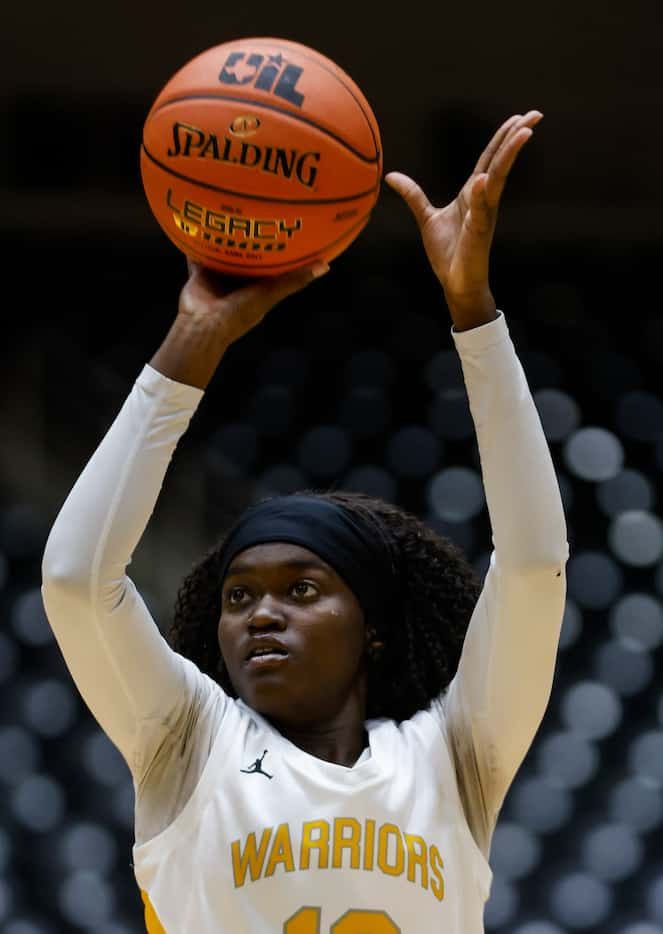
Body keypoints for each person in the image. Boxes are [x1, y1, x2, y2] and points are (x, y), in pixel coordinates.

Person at [41, 110, 568, 934]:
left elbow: (534, 567)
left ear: (374, 630)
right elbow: (76, 582)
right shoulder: (187, 741)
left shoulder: (453, 758)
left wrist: (473, 312)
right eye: (239, 595)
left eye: (302, 588)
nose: (261, 613)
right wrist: (193, 339)